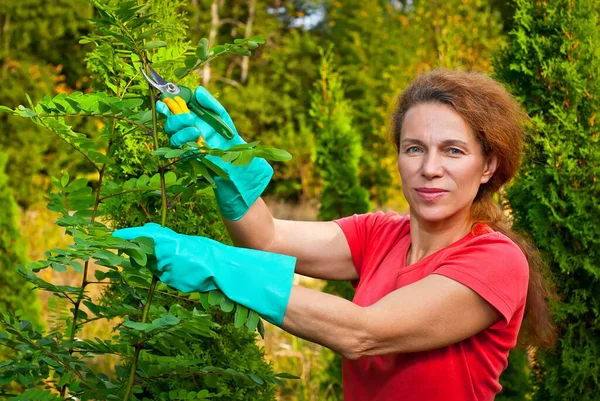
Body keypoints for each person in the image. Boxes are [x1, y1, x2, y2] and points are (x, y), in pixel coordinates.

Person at [114, 69, 557, 401]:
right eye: (414, 148)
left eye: (454, 151)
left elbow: (365, 332)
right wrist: (229, 169)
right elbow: (267, 239)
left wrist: (215, 264)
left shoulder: (496, 260)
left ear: (488, 166)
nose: (429, 168)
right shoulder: (380, 234)